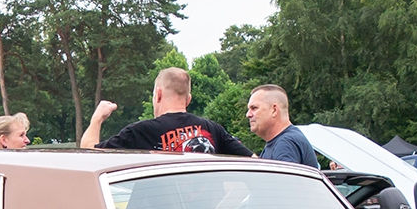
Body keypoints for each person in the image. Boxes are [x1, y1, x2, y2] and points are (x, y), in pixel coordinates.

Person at [81, 67, 252, 156]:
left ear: (159, 95)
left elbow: (89, 154)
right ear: (189, 99)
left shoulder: (142, 132)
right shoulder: (213, 129)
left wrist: (97, 119)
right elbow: (254, 162)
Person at [245, 84, 317, 167]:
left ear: (274, 110)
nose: (248, 114)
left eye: (254, 108)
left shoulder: (285, 144)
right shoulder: (280, 141)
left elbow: (284, 180)